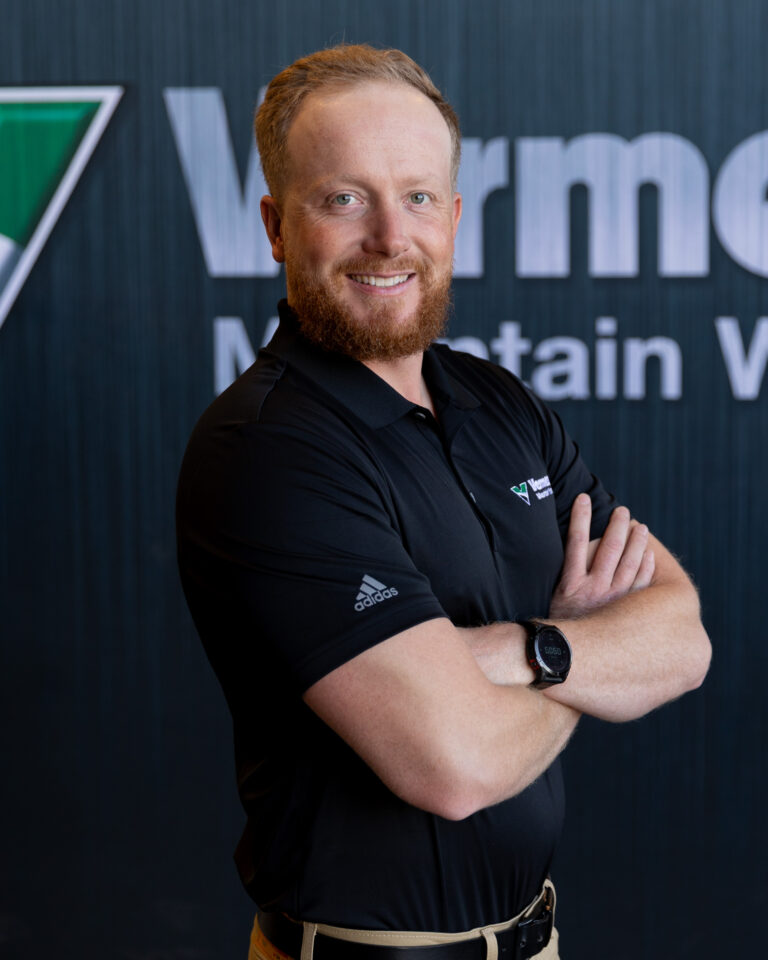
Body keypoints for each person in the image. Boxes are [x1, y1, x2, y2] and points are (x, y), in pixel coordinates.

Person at [176, 44, 711, 960]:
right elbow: (454, 766)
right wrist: (586, 655)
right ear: (274, 224)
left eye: (418, 197)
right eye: (344, 198)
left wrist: (523, 650)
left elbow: (683, 639)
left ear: (455, 217)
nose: (391, 236)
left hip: (534, 939)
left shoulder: (502, 404)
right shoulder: (266, 449)